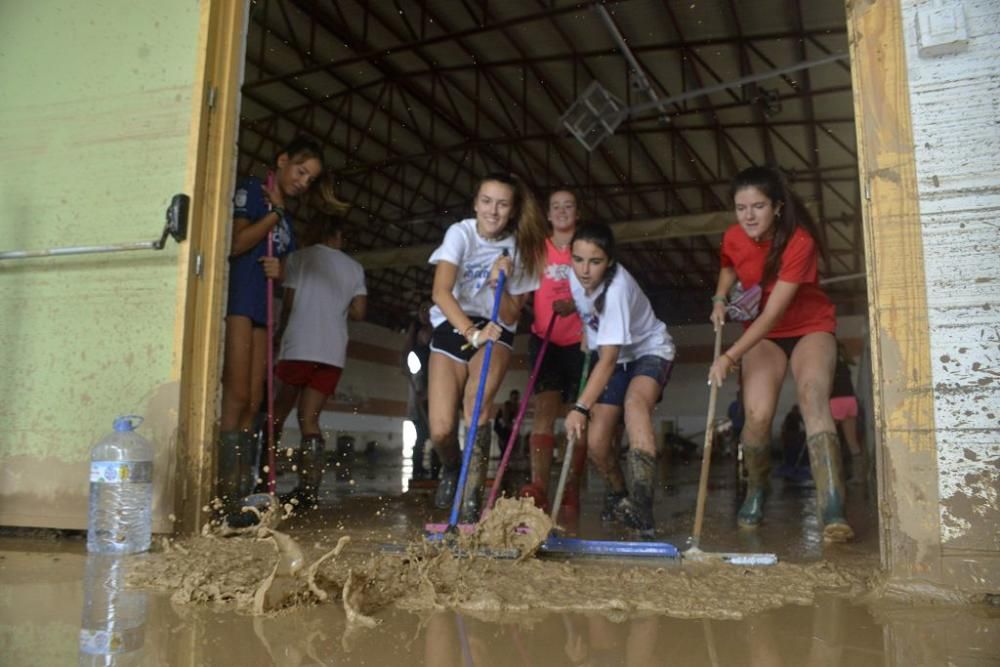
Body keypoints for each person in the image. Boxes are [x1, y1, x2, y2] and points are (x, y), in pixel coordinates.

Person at [708, 165, 853, 541]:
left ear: (776, 207)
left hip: (808, 326)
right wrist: (721, 297)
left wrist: (729, 356)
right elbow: (728, 265)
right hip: (764, 336)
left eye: (758, 206)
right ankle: (757, 489)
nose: (749, 216)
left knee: (812, 396)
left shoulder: (798, 241)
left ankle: (832, 506)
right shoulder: (734, 236)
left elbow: (773, 316)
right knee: (756, 414)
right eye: (741, 208)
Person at [216, 135, 347, 513]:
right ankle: (226, 501)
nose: (303, 182)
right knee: (238, 397)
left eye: (310, 179)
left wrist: (281, 267)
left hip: (263, 308)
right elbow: (236, 243)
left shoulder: (286, 216)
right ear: (283, 160)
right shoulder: (254, 193)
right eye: (301, 171)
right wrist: (274, 213)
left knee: (256, 401)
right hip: (241, 301)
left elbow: (283, 264)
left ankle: (243, 498)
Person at [427, 172, 548, 522]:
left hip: (495, 328)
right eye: (487, 201)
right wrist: (469, 332)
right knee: (440, 429)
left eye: (502, 204)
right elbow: (440, 292)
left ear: (512, 211)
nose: (493, 211)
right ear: (475, 204)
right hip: (454, 323)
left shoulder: (521, 248)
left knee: (476, 407)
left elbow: (511, 314)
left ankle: (469, 508)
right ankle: (451, 467)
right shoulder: (460, 234)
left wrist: (501, 282)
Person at [563, 223, 676, 537]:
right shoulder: (575, 277)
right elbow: (589, 312)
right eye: (578, 259)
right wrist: (589, 333)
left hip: (650, 351)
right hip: (617, 358)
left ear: (609, 261)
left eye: (595, 262)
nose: (585, 270)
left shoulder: (618, 289)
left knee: (635, 405)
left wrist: (580, 407)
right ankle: (618, 494)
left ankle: (642, 507)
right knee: (597, 444)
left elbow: (608, 359)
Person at [270, 216, 367, 508]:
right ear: (338, 235)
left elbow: (288, 302)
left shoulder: (299, 258)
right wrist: (338, 301)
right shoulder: (354, 268)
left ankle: (263, 480)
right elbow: (359, 312)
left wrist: (278, 335)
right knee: (309, 419)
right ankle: (308, 491)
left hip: (299, 345)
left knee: (277, 414)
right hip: (332, 352)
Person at [518, 189, 588, 516]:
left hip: (580, 342)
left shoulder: (585, 248)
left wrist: (575, 304)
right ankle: (540, 487)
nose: (561, 211)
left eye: (568, 206)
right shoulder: (537, 250)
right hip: (545, 340)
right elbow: (522, 290)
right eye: (556, 206)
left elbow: (601, 289)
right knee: (544, 411)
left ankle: (572, 487)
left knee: (577, 418)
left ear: (577, 212)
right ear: (548, 214)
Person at [402, 300, 434, 479]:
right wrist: (416, 387)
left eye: (429, 310)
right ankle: (417, 469)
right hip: (419, 385)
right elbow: (404, 358)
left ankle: (438, 469)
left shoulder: (438, 331)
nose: (425, 314)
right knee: (421, 431)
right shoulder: (414, 332)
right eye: (422, 310)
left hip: (437, 382)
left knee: (437, 429)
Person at [830, 345, 865, 483]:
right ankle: (859, 476)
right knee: (853, 443)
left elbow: (828, 387)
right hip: (850, 401)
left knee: (832, 440)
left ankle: (834, 478)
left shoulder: (829, 364)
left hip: (835, 402)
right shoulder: (846, 364)